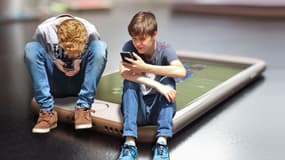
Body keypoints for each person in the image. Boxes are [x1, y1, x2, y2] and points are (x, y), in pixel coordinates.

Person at [118, 11, 186, 160]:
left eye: (142, 39)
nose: (137, 44)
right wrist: (156, 85)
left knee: (169, 81)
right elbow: (124, 72)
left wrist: (145, 68)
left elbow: (181, 71)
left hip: (158, 110)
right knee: (129, 82)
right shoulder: (129, 47)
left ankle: (162, 143)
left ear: (154, 34)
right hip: (138, 111)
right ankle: (129, 144)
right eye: (134, 39)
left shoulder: (164, 48)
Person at [24, 14, 107, 133]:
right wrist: (54, 61)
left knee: (100, 46)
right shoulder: (44, 30)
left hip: (80, 83)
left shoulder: (90, 30)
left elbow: (95, 57)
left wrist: (79, 60)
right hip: (54, 83)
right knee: (31, 48)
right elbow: (37, 60)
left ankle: (83, 108)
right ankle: (47, 112)